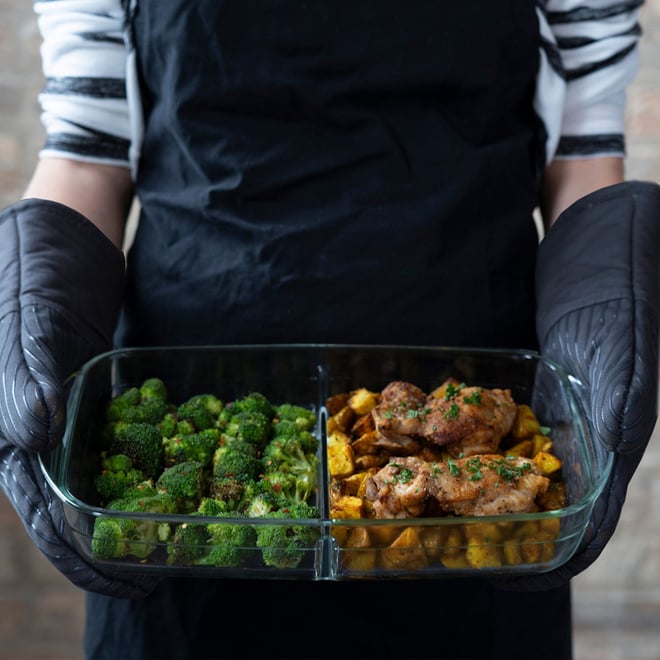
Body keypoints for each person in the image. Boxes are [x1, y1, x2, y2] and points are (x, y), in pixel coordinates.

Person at [0, 1, 658, 658]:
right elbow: (85, 152)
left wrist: (598, 300)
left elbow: (585, 147)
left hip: (472, 480)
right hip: (191, 456)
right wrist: (38, 294)